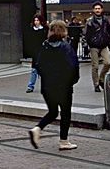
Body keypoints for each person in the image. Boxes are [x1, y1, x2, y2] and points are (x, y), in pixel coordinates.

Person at [29, 20, 79, 151]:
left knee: (53, 112)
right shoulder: (66, 47)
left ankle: (37, 129)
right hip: (63, 86)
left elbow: (37, 65)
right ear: (64, 31)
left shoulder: (44, 46)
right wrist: (72, 81)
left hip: (47, 87)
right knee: (65, 113)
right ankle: (64, 141)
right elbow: (73, 67)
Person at [84, 1, 110, 92]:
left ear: (102, 9)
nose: (97, 10)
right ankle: (96, 84)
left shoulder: (105, 20)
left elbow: (109, 32)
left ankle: (101, 79)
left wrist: (109, 44)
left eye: (99, 8)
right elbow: (85, 34)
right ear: (93, 10)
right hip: (94, 46)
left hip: (103, 45)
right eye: (96, 9)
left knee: (107, 63)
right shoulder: (90, 21)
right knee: (95, 66)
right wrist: (86, 46)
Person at [26, 15, 47, 93]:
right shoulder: (32, 30)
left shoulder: (44, 30)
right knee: (34, 70)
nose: (36, 22)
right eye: (35, 20)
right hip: (35, 52)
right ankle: (30, 86)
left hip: (43, 52)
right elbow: (30, 41)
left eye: (37, 20)